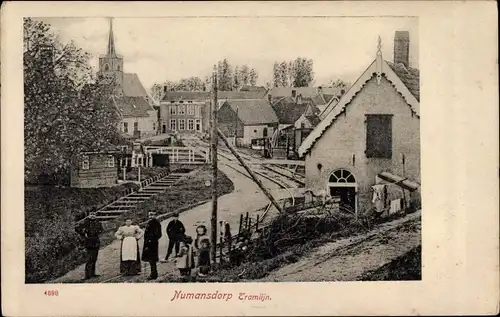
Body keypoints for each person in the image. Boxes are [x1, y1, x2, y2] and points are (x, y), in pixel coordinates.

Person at [76, 211, 103, 280]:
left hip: (96, 242)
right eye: (91, 214)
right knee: (89, 259)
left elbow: (101, 230)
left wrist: (98, 232)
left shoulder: (98, 222)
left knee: (94, 258)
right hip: (88, 242)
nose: (92, 216)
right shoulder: (85, 222)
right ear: (88, 215)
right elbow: (77, 228)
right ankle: (87, 275)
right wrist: (84, 232)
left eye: (94, 214)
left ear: (95, 215)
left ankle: (93, 274)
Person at [141, 211, 162, 280]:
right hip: (148, 244)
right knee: (150, 260)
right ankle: (153, 274)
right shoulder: (150, 222)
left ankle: (153, 274)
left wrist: (151, 240)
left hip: (152, 244)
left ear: (155, 215)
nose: (150, 216)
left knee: (152, 260)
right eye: (149, 215)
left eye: (152, 215)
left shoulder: (156, 223)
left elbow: (159, 234)